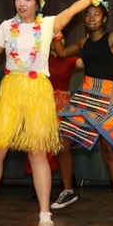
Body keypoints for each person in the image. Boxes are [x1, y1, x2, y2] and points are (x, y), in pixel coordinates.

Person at [0, 0, 112, 226]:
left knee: (37, 153)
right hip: (11, 90)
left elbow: (71, 11)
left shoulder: (46, 25)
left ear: (37, 4)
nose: (21, 3)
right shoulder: (6, 26)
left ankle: (45, 212)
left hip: (37, 91)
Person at [51, 0, 113, 218]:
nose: (91, 18)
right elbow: (62, 53)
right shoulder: (83, 42)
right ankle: (68, 191)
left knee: (110, 150)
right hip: (85, 94)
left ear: (104, 18)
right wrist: (55, 31)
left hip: (105, 96)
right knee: (62, 142)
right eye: (87, 14)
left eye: (96, 14)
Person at [24, 35, 82, 198]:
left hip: (62, 106)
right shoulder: (41, 59)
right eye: (54, 38)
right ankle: (39, 187)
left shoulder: (71, 60)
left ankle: (67, 186)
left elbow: (90, 62)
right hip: (42, 103)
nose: (57, 42)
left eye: (60, 39)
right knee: (40, 144)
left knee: (62, 145)